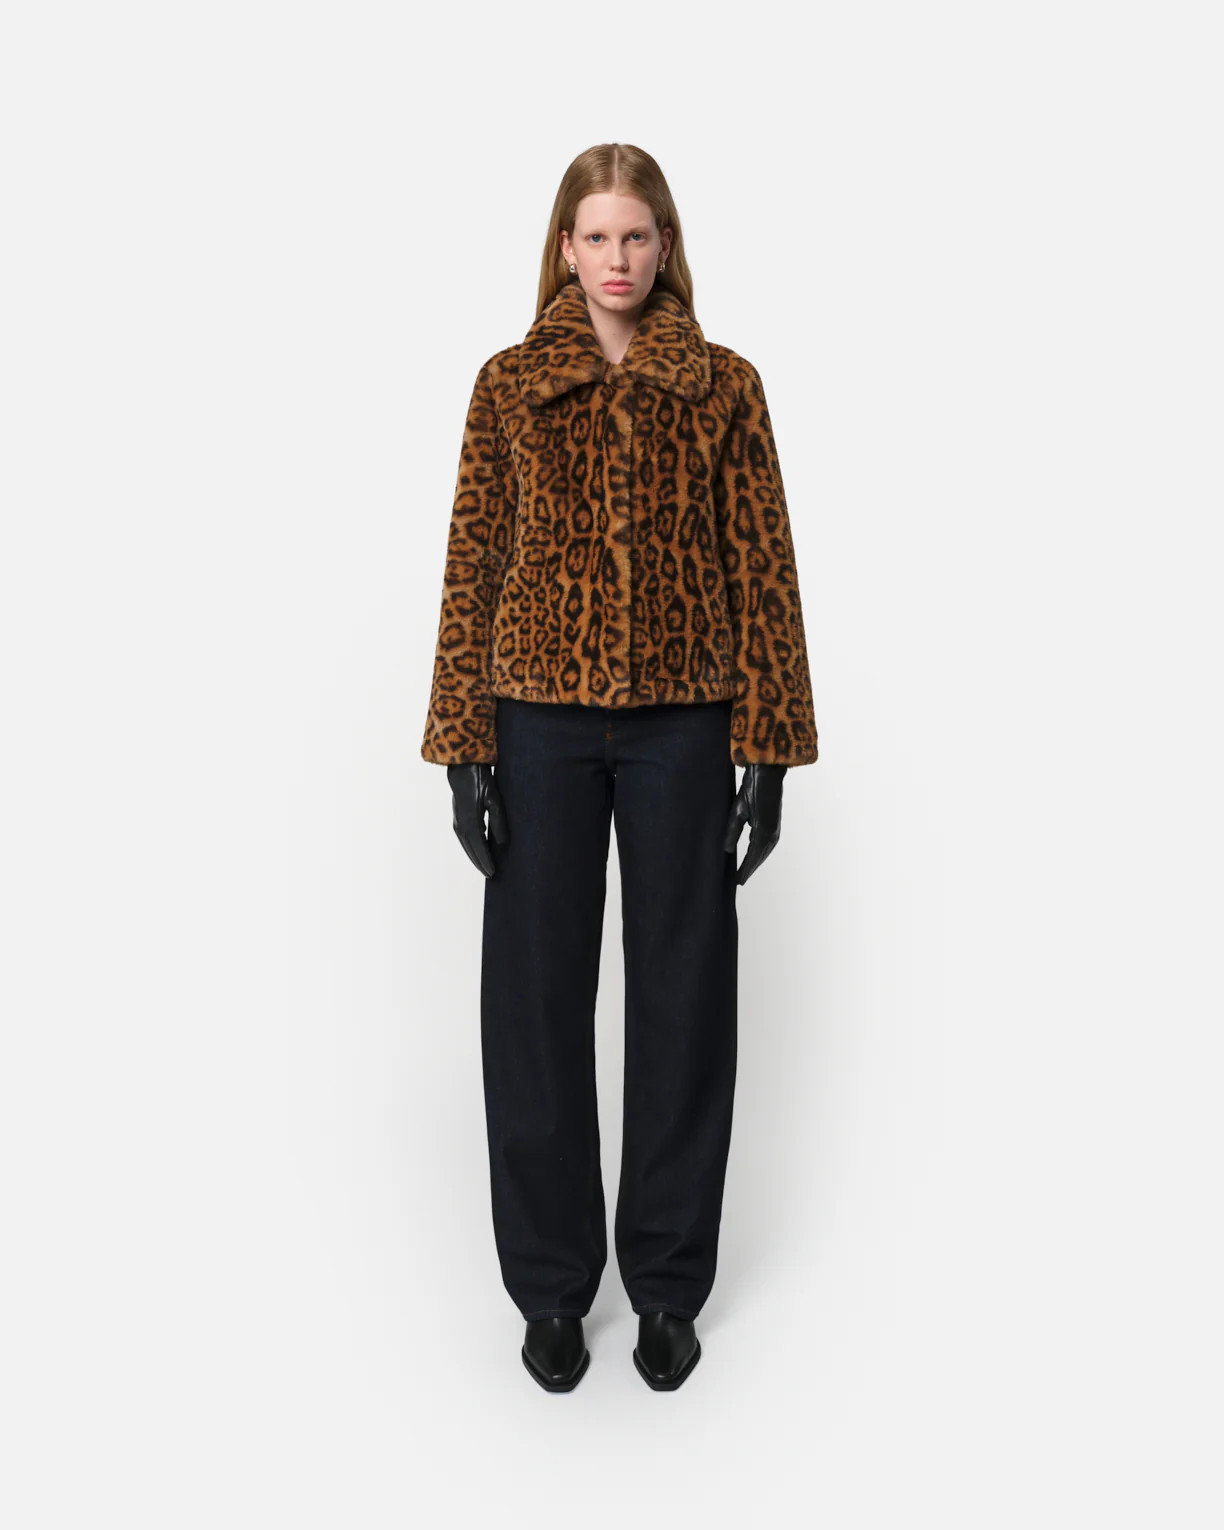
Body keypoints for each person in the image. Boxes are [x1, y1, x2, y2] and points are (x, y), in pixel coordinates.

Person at [421, 142, 819, 1391]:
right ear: (563, 246)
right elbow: (472, 559)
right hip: (535, 719)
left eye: (636, 236)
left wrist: (771, 749)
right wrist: (462, 746)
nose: (616, 258)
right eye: (595, 236)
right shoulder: (507, 386)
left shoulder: (725, 387)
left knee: (684, 997)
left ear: (666, 245)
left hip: (684, 722)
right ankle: (550, 1288)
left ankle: (666, 1284)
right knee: (534, 1004)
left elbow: (764, 565)